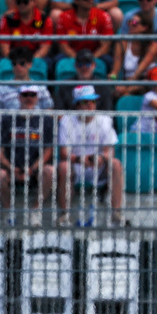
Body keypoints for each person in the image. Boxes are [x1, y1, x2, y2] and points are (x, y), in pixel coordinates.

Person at [56, 85, 124, 227]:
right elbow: (64, 152)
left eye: (93, 101)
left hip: (98, 165)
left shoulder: (104, 119)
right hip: (75, 164)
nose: (91, 105)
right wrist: (78, 159)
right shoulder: (66, 121)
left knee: (116, 164)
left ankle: (116, 212)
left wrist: (102, 158)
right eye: (86, 102)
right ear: (77, 105)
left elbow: (110, 150)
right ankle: (64, 213)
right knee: (63, 167)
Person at [0, 86, 56, 220]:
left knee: (50, 171)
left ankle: (36, 208)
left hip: (35, 168)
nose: (29, 98)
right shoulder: (7, 119)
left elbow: (48, 149)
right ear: (19, 98)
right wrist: (11, 168)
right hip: (11, 167)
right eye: (25, 95)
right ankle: (8, 211)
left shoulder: (45, 120)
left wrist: (33, 168)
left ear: (37, 98)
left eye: (32, 95)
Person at [54, 0, 114, 67]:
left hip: (95, 55)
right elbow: (63, 46)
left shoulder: (103, 16)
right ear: (76, 1)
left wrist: (91, 59)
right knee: (57, 61)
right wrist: (78, 59)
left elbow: (105, 46)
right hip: (72, 55)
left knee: (109, 60)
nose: (91, 0)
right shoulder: (63, 17)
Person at [111, 13, 157, 96]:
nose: (130, 25)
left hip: (147, 83)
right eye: (129, 22)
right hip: (128, 82)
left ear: (145, 27)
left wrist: (126, 87)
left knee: (144, 83)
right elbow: (115, 71)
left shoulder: (154, 46)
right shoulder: (122, 44)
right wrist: (112, 80)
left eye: (134, 23)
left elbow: (138, 72)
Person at [122, 0, 157, 69]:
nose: (144, 2)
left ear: (156, 0)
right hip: (134, 50)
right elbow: (123, 40)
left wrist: (152, 52)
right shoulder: (129, 16)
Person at [0, 0, 53, 64]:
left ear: (34, 2)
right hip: (13, 58)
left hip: (36, 57)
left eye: (25, 1)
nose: (21, 4)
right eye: (18, 1)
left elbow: (44, 48)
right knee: (2, 63)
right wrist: (17, 63)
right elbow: (4, 48)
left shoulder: (45, 20)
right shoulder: (8, 19)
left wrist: (30, 62)